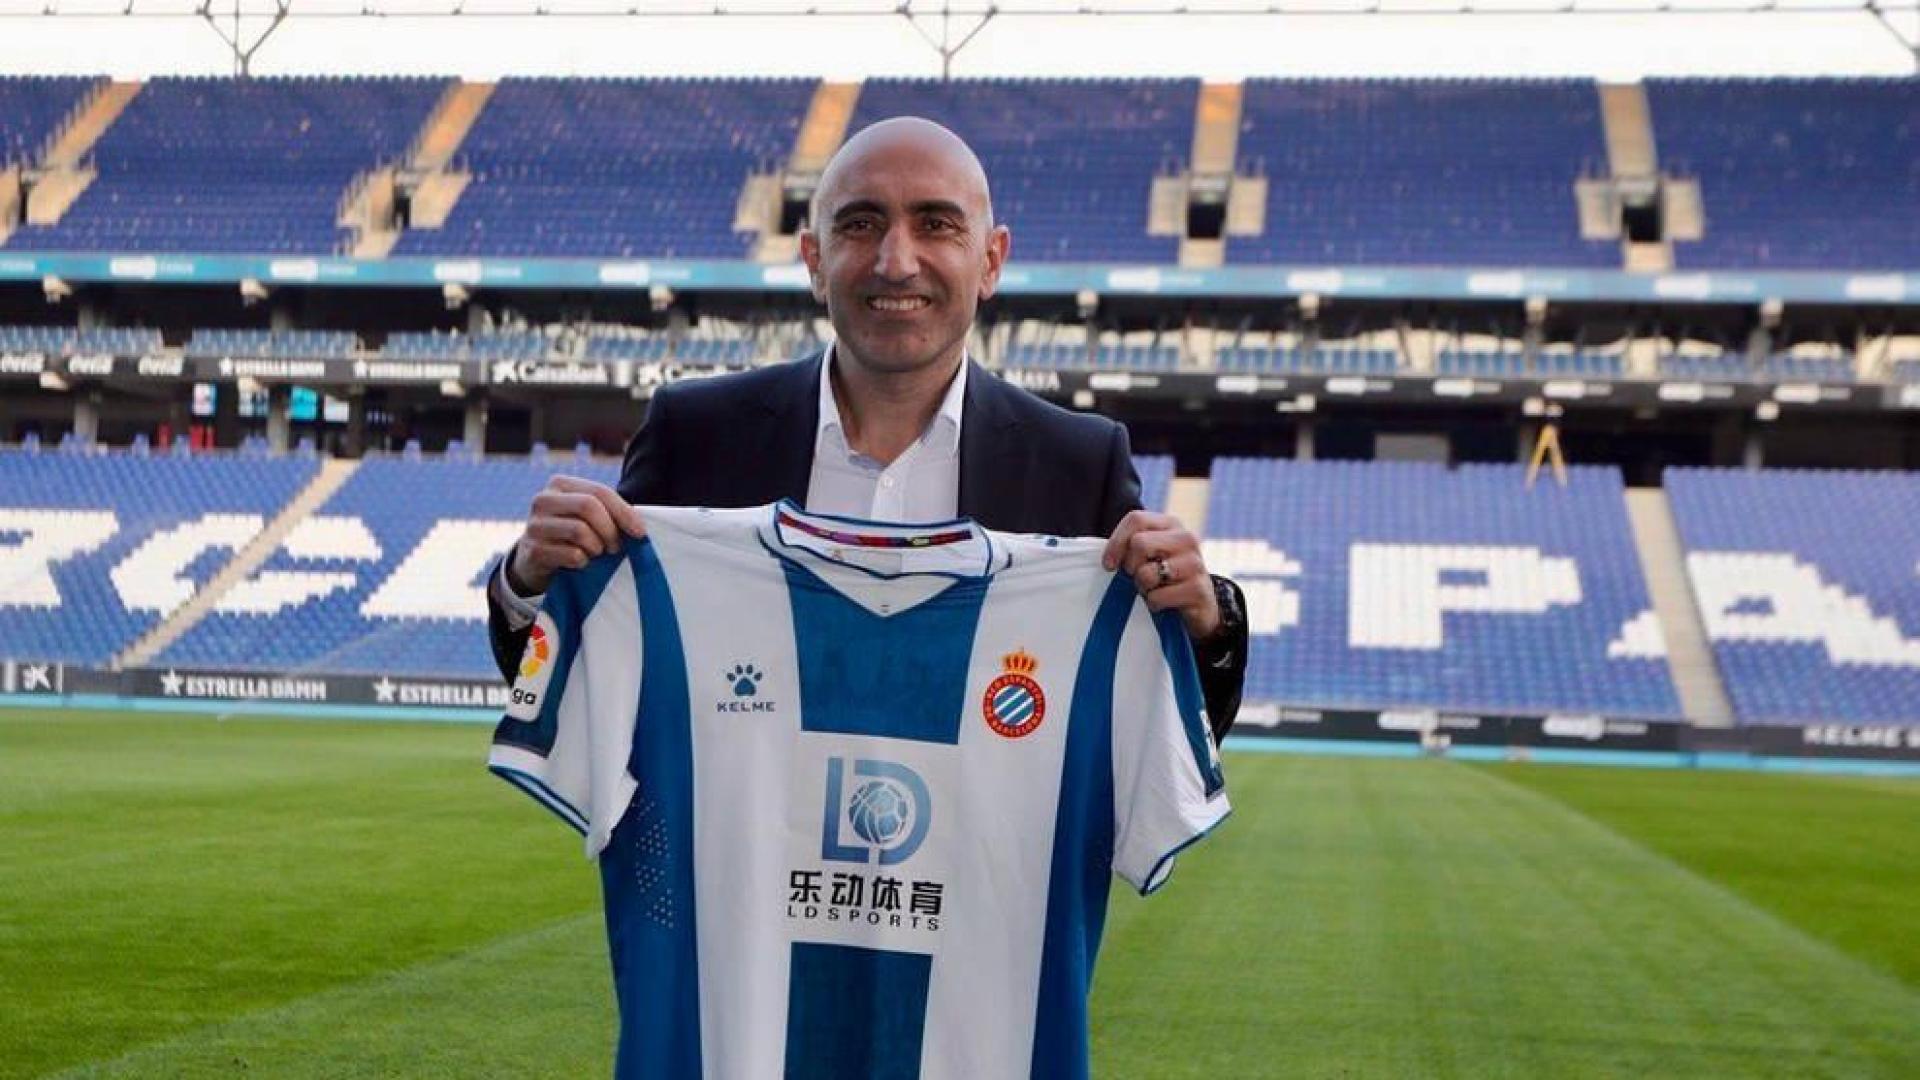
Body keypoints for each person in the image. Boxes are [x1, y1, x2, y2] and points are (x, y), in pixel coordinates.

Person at [486, 116, 1248, 736]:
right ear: (815, 260)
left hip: (976, 885)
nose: (895, 261)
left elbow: (1163, 737)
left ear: (991, 261)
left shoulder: (1077, 464)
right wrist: (529, 585)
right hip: (739, 882)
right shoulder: (695, 435)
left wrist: (1204, 627)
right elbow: (581, 685)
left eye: (936, 224)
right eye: (860, 224)